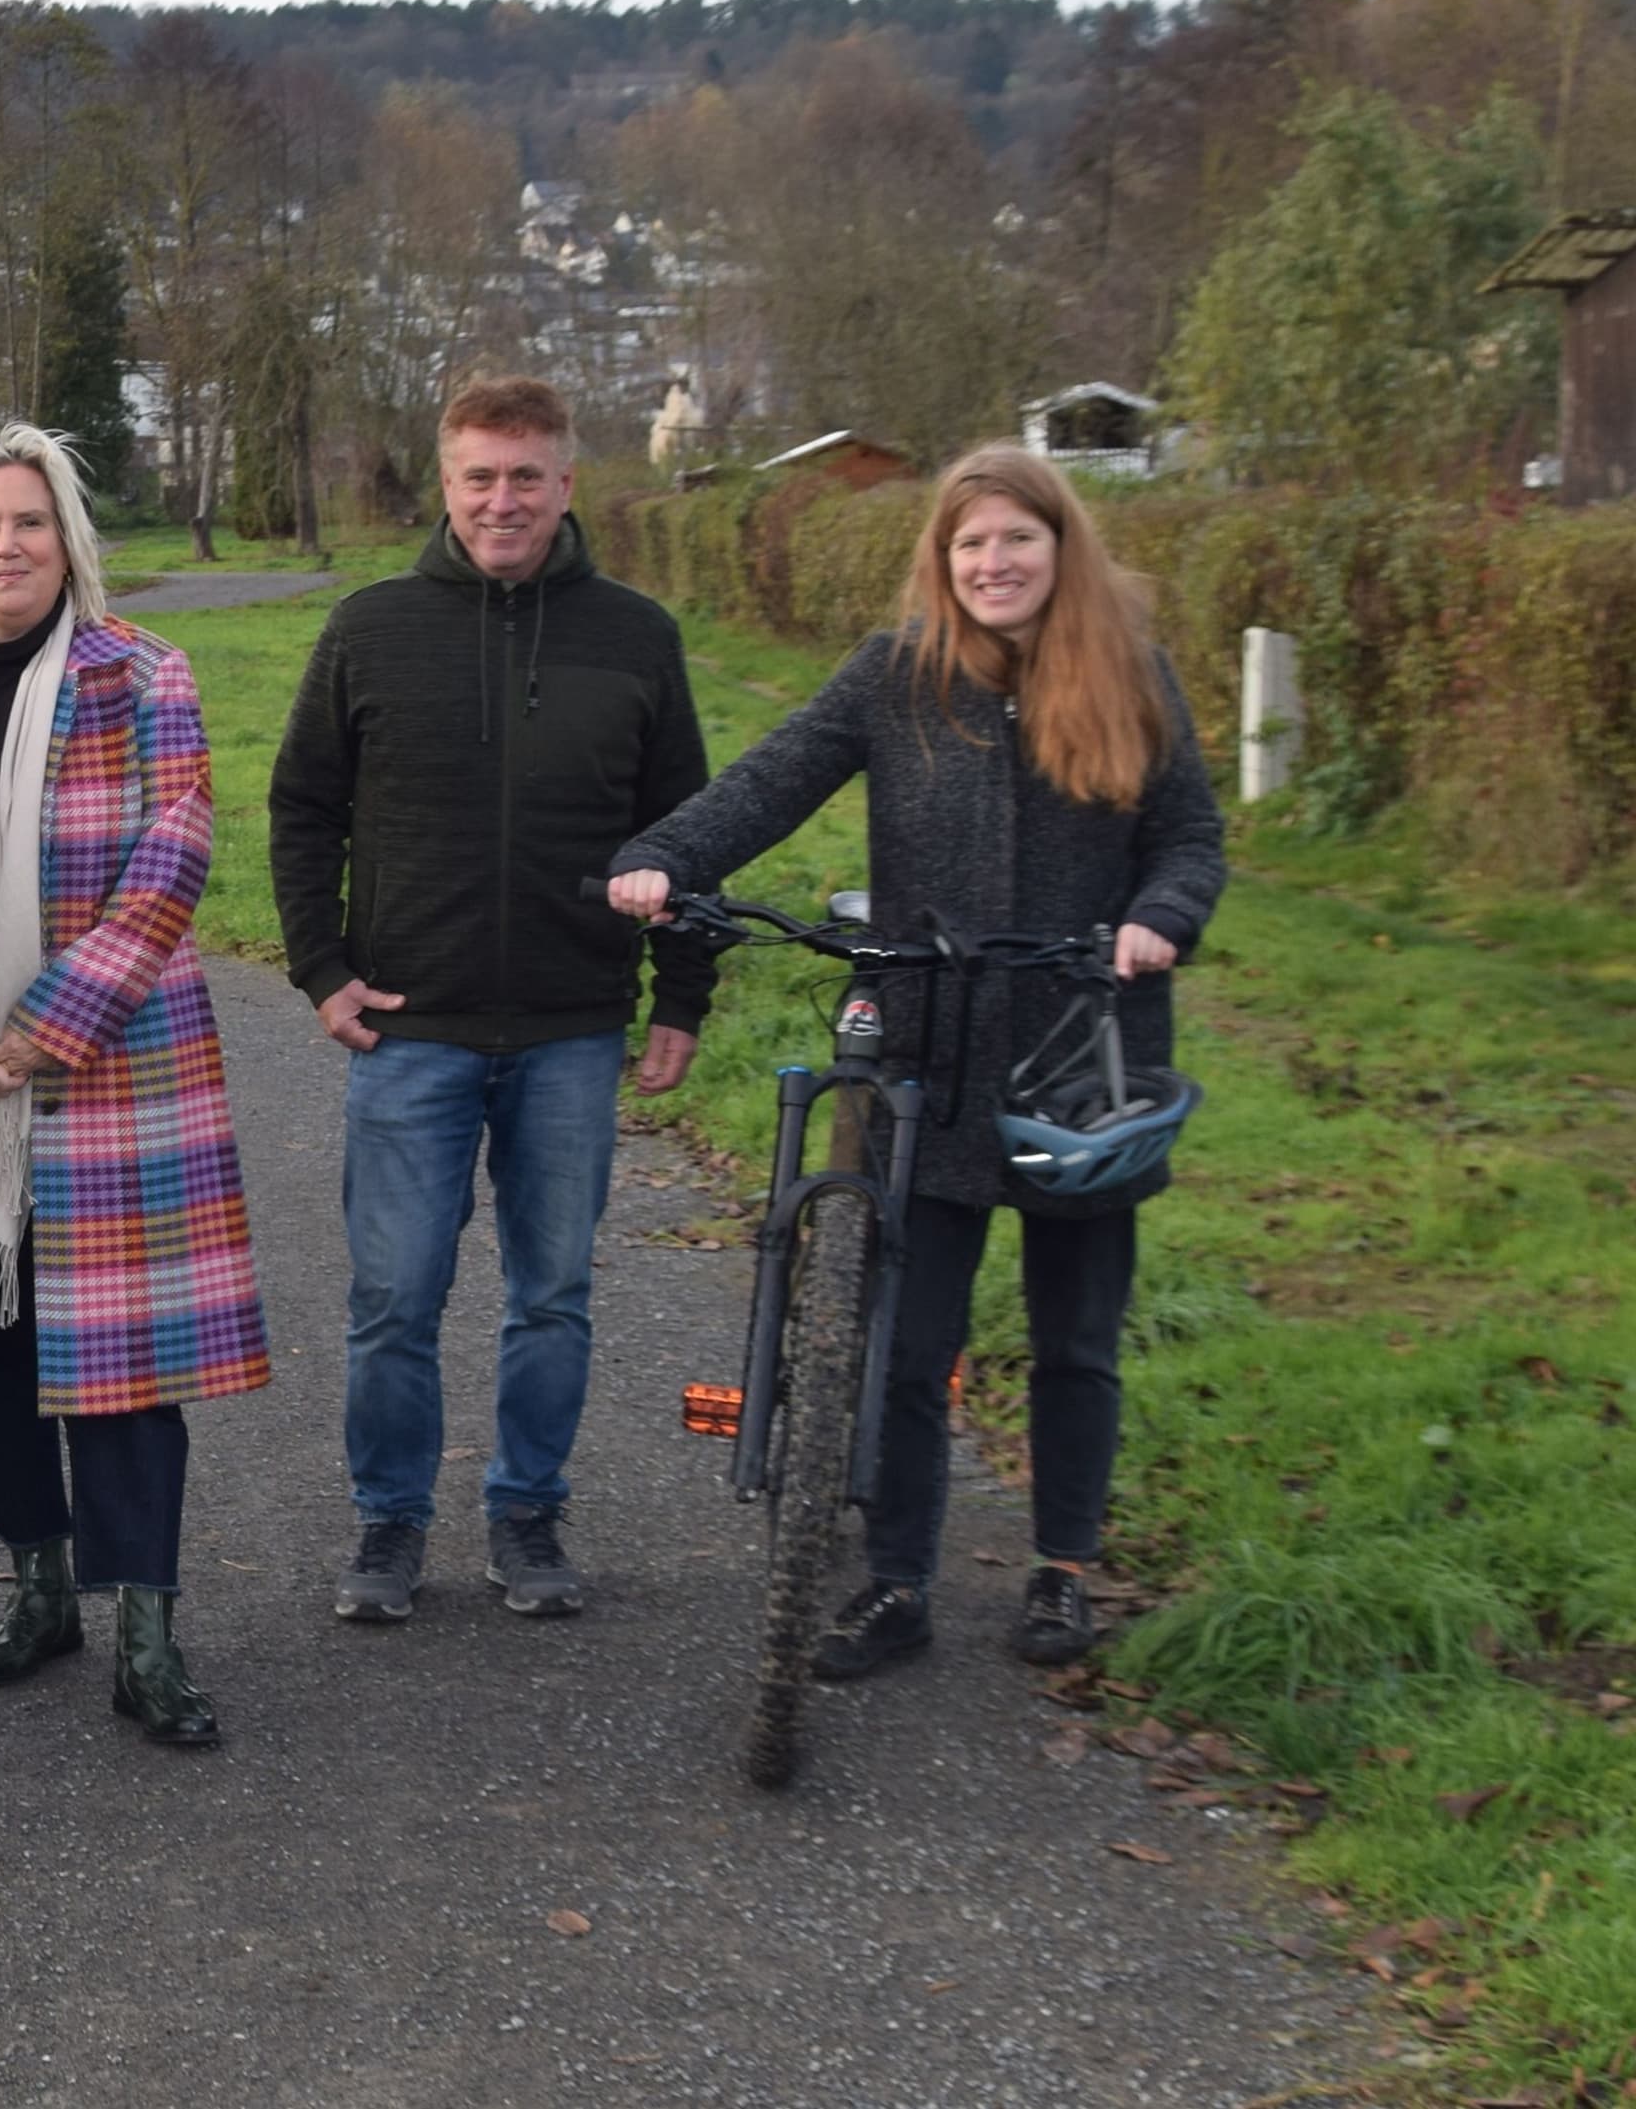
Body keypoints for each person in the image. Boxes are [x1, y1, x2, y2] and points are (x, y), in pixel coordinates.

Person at [608, 441, 1225, 1675]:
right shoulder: (897, 676)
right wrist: (669, 856)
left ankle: (1062, 1569)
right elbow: (773, 776)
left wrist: (1161, 917)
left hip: (1081, 1055)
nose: (994, 562)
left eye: (1017, 539)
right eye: (971, 543)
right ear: (941, 560)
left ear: (1061, 548)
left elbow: (1190, 839)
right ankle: (897, 1579)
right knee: (904, 1334)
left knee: (1075, 1336)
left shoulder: (1130, 675)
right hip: (929, 1047)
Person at [0, 425, 268, 1748]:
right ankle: (41, 1587)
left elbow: (172, 859)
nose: (6, 546)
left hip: (111, 1075)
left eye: (29, 522)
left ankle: (148, 1625)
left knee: (127, 1372)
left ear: (68, 539)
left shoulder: (145, 675)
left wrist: (35, 1037)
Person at [267, 375, 716, 1624]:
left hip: (574, 1026)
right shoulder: (372, 626)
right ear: (447, 482)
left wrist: (681, 992)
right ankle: (390, 1522)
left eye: (527, 475)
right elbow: (302, 807)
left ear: (569, 481)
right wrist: (320, 966)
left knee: (553, 1292)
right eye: (480, 475)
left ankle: (527, 1511)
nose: (503, 499)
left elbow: (688, 830)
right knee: (395, 1295)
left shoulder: (637, 635)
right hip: (412, 1025)